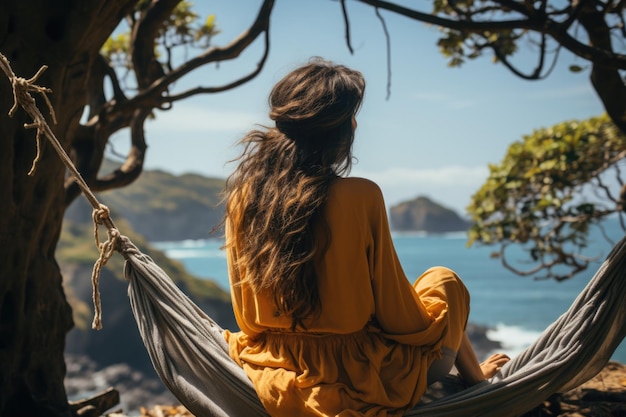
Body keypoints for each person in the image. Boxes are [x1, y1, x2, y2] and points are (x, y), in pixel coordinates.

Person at [222, 57, 510, 417]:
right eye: (352, 116)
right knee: (444, 281)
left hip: (271, 367)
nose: (356, 124)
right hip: (364, 379)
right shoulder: (360, 196)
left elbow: (248, 322)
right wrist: (437, 322)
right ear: (339, 129)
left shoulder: (242, 198)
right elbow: (400, 319)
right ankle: (478, 386)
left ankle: (477, 382)